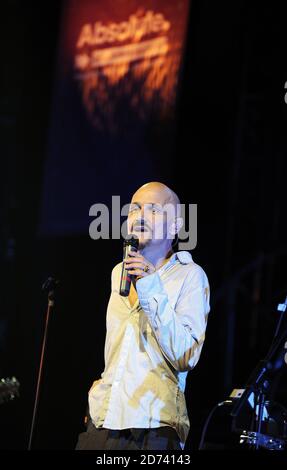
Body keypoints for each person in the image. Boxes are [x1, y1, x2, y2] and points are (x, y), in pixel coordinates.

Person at [76, 181, 210, 450]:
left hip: (153, 425)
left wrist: (150, 288)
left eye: (153, 210)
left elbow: (186, 355)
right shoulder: (119, 273)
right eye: (135, 209)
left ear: (174, 227)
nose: (139, 216)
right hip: (104, 418)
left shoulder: (190, 275)